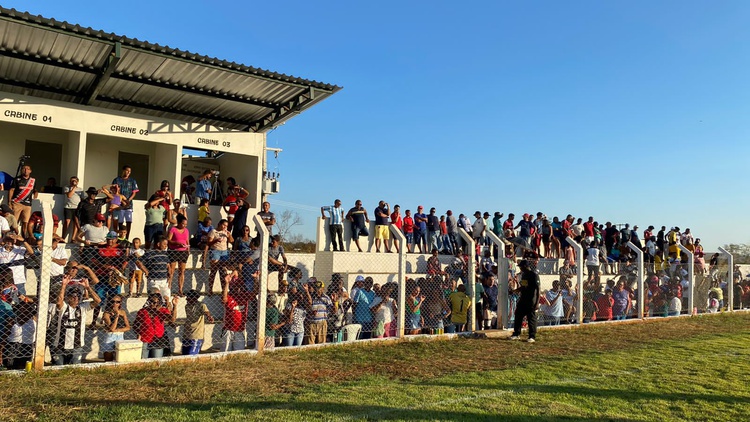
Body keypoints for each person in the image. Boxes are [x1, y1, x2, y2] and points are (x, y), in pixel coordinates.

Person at [50, 275, 101, 365]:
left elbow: (97, 301)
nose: (76, 298)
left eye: (78, 296)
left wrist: (88, 287)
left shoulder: (83, 307)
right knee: (58, 369)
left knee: (75, 368)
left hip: (76, 346)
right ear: (68, 297)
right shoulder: (64, 307)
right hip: (60, 345)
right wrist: (64, 285)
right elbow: (59, 302)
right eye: (73, 296)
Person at [134, 293, 176, 359]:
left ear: (159, 302)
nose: (152, 304)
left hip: (158, 339)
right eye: (150, 301)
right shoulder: (142, 311)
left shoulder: (162, 311)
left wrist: (175, 306)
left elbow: (172, 319)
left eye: (154, 302)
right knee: (143, 360)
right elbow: (135, 324)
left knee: (156, 360)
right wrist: (138, 333)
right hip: (145, 339)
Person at [510, 260, 540, 342]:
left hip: (531, 300)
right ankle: (516, 333)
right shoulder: (524, 275)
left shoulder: (534, 275)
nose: (520, 268)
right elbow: (523, 286)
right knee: (518, 315)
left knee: (531, 318)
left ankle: (532, 336)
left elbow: (538, 289)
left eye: (521, 267)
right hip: (523, 299)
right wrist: (515, 290)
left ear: (526, 266)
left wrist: (537, 302)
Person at [137, 236, 172, 302]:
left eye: (166, 244)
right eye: (164, 244)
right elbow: (138, 262)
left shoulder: (165, 254)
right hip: (154, 281)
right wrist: (146, 271)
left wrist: (170, 276)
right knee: (156, 298)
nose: (166, 246)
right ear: (158, 244)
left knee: (166, 300)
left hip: (164, 281)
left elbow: (168, 265)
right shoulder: (149, 253)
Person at [7, 165, 37, 238]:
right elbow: (11, 190)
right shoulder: (17, 179)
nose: (26, 170)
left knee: (25, 222)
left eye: (28, 169)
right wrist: (9, 202)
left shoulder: (32, 180)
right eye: (24, 169)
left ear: (30, 171)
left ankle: (23, 239)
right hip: (17, 203)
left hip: (27, 204)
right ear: (21, 170)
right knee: (14, 222)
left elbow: (34, 190)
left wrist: (36, 193)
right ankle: (12, 238)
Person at [182, 289, 214, 355]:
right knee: (184, 354)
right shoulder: (187, 306)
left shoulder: (201, 305)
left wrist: (209, 316)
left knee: (192, 354)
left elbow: (206, 312)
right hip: (187, 333)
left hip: (196, 334)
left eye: (188, 297)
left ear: (194, 298)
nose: (186, 299)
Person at [302, 278, 333, 345]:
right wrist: (310, 312)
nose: (317, 290)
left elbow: (332, 309)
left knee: (321, 343)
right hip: (311, 323)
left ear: (323, 289)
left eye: (319, 288)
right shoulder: (310, 296)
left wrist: (335, 302)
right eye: (316, 288)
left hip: (322, 323)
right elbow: (307, 305)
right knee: (309, 343)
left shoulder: (326, 298)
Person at [101, 293, 130, 362]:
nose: (115, 303)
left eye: (117, 302)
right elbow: (112, 328)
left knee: (120, 358)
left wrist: (118, 330)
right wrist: (117, 315)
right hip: (110, 337)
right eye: (113, 301)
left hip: (120, 336)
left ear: (120, 303)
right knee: (108, 359)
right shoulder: (106, 314)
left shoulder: (122, 312)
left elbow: (128, 327)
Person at [112, 165, 139, 237]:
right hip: (119, 204)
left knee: (129, 221)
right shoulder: (117, 180)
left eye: (129, 171)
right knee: (120, 221)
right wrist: (122, 200)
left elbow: (134, 192)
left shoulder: (132, 181)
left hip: (128, 204)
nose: (128, 173)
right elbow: (114, 191)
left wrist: (128, 200)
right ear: (123, 170)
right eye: (127, 170)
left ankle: (127, 237)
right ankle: (120, 237)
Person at [167, 214, 190, 297]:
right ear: (179, 223)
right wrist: (176, 243)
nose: (184, 226)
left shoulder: (186, 230)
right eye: (183, 224)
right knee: (171, 271)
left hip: (183, 252)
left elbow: (187, 240)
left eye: (186, 224)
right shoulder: (173, 229)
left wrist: (188, 249)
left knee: (182, 271)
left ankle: (180, 290)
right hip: (174, 251)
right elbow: (168, 240)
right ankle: (168, 288)